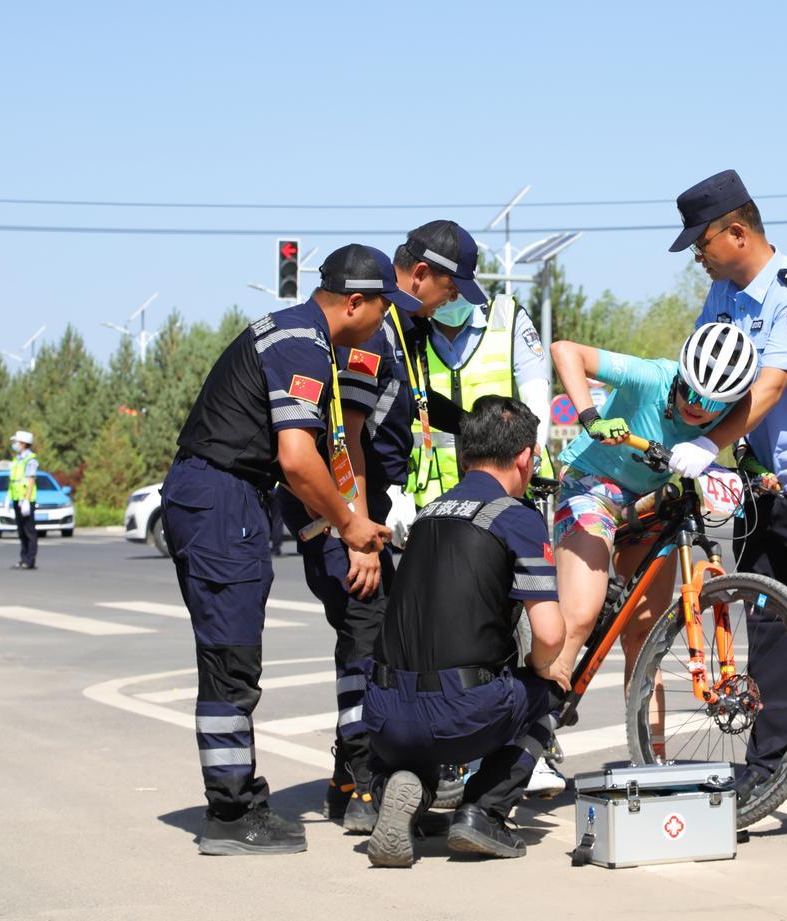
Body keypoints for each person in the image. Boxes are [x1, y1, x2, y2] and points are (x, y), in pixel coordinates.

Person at [162, 243, 402, 856]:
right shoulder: (303, 342)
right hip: (221, 497)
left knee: (232, 655)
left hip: (226, 496)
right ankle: (232, 814)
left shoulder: (298, 332)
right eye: (382, 308)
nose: (383, 322)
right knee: (229, 659)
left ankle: (234, 802)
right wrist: (350, 524)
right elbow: (299, 460)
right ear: (355, 301)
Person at [274, 219, 481, 833]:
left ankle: (348, 774)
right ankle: (365, 783)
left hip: (363, 509)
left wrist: (487, 426)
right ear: (421, 275)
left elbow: (414, 406)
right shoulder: (371, 333)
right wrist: (355, 531)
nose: (450, 303)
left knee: (371, 637)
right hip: (341, 509)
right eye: (449, 289)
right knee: (367, 640)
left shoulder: (400, 330)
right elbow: (349, 440)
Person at [667, 169, 787, 812]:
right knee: (768, 620)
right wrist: (687, 421)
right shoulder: (723, 292)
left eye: (703, 244)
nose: (698, 256)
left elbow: (769, 387)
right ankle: (767, 762)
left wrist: (707, 445)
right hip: (758, 483)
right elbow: (703, 368)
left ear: (739, 232)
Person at [362, 395, 566, 868]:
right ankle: (482, 813)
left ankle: (404, 785)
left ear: (464, 455)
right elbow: (550, 635)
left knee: (426, 704)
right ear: (525, 458)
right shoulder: (516, 518)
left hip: (385, 717)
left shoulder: (428, 513)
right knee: (548, 692)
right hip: (461, 712)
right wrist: (537, 672)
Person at [547, 324, 759, 753]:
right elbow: (565, 350)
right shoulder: (651, 375)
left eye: (716, 405)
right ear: (680, 376)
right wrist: (591, 418)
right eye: (694, 395)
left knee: (646, 640)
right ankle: (533, 734)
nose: (700, 410)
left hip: (647, 502)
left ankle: (652, 763)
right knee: (583, 614)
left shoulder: (729, 409)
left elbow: (744, 441)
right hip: (591, 486)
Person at [405, 287, 553, 508]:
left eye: (457, 287)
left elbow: (537, 394)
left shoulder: (507, 318)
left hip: (508, 493)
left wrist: (534, 455)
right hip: (435, 496)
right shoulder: (412, 329)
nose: (453, 296)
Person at [8, 431, 40, 571]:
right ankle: (23, 558)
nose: (14, 445)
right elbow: (14, 480)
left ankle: (30, 560)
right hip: (17, 499)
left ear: (23, 443)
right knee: (21, 531)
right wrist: (9, 497)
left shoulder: (30, 459)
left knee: (29, 531)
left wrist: (26, 500)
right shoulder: (17, 459)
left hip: (26, 500)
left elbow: (31, 480)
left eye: (16, 442)